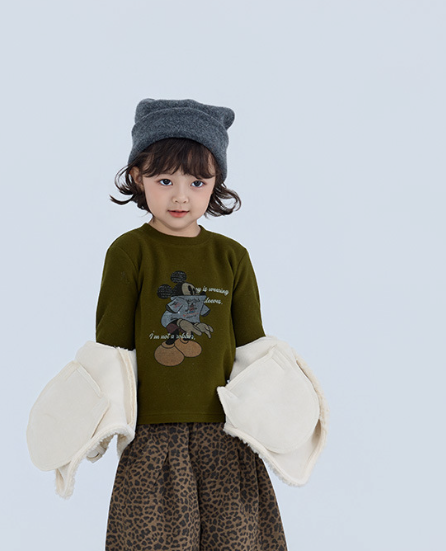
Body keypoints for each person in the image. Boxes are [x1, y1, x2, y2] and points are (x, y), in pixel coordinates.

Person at [96, 98, 288, 550]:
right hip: (152, 435)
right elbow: (112, 351)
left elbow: (253, 351)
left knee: (237, 541)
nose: (181, 196)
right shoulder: (129, 252)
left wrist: (278, 416)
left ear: (216, 182)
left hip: (227, 434)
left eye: (197, 181)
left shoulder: (231, 257)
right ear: (138, 177)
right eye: (165, 180)